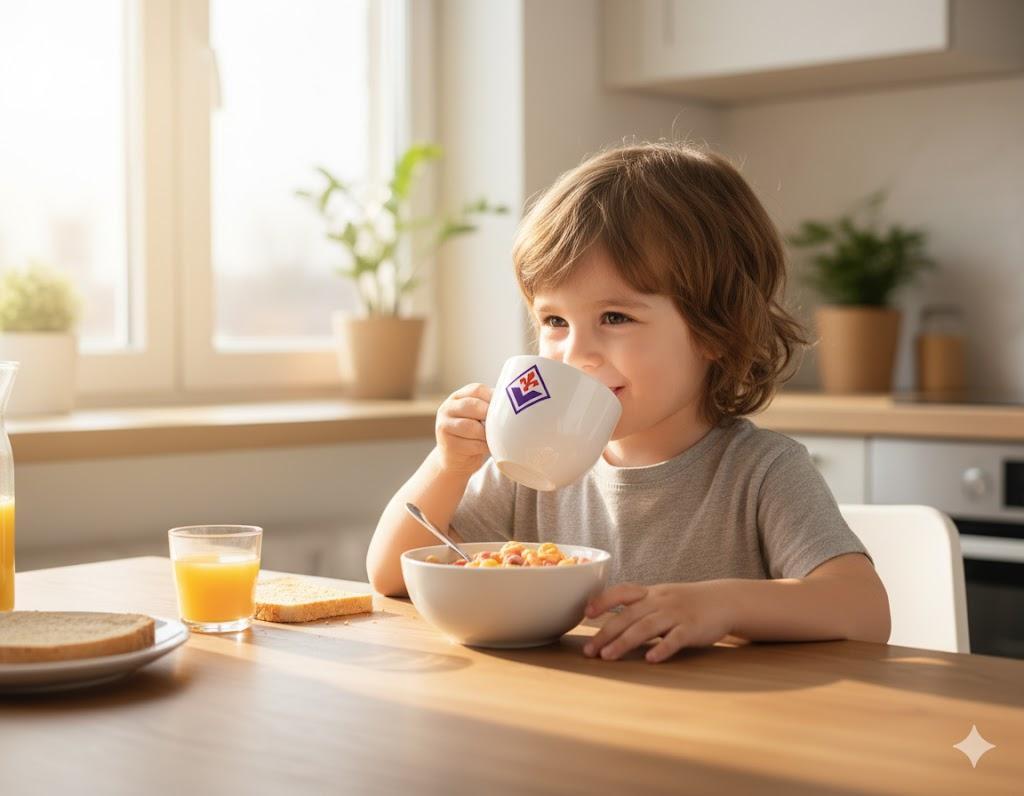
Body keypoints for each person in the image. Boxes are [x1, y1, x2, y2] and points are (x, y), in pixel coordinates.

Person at [366, 142, 890, 663]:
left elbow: (865, 609)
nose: (577, 353)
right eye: (555, 321)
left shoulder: (762, 471)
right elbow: (390, 576)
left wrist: (724, 606)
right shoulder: (530, 464)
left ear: (716, 330)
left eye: (615, 318)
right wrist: (447, 467)